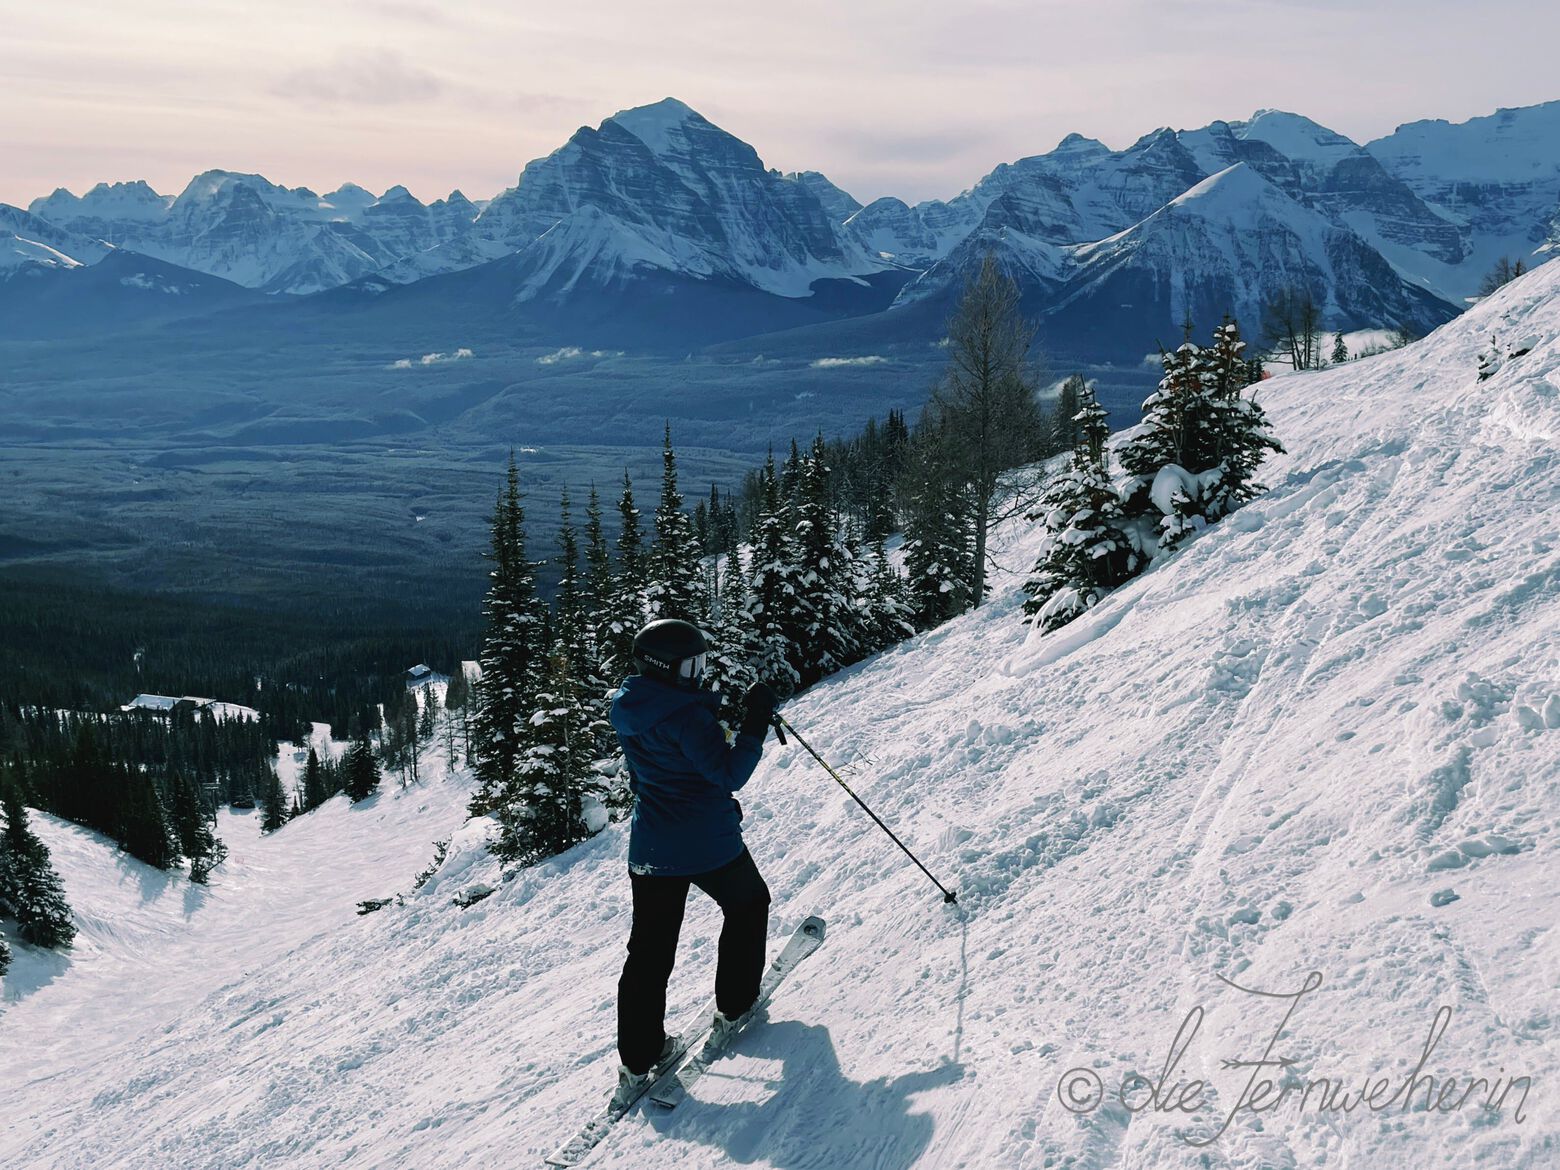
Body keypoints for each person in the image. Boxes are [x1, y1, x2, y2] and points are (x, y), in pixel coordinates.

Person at [608, 618, 780, 1108]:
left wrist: (707, 713)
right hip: (706, 843)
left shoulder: (630, 705)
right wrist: (755, 720)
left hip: (652, 848)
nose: (699, 673)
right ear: (666, 667)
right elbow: (730, 773)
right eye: (692, 665)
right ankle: (735, 1005)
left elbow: (669, 750)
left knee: (650, 952)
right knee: (748, 904)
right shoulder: (687, 716)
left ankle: (638, 1060)